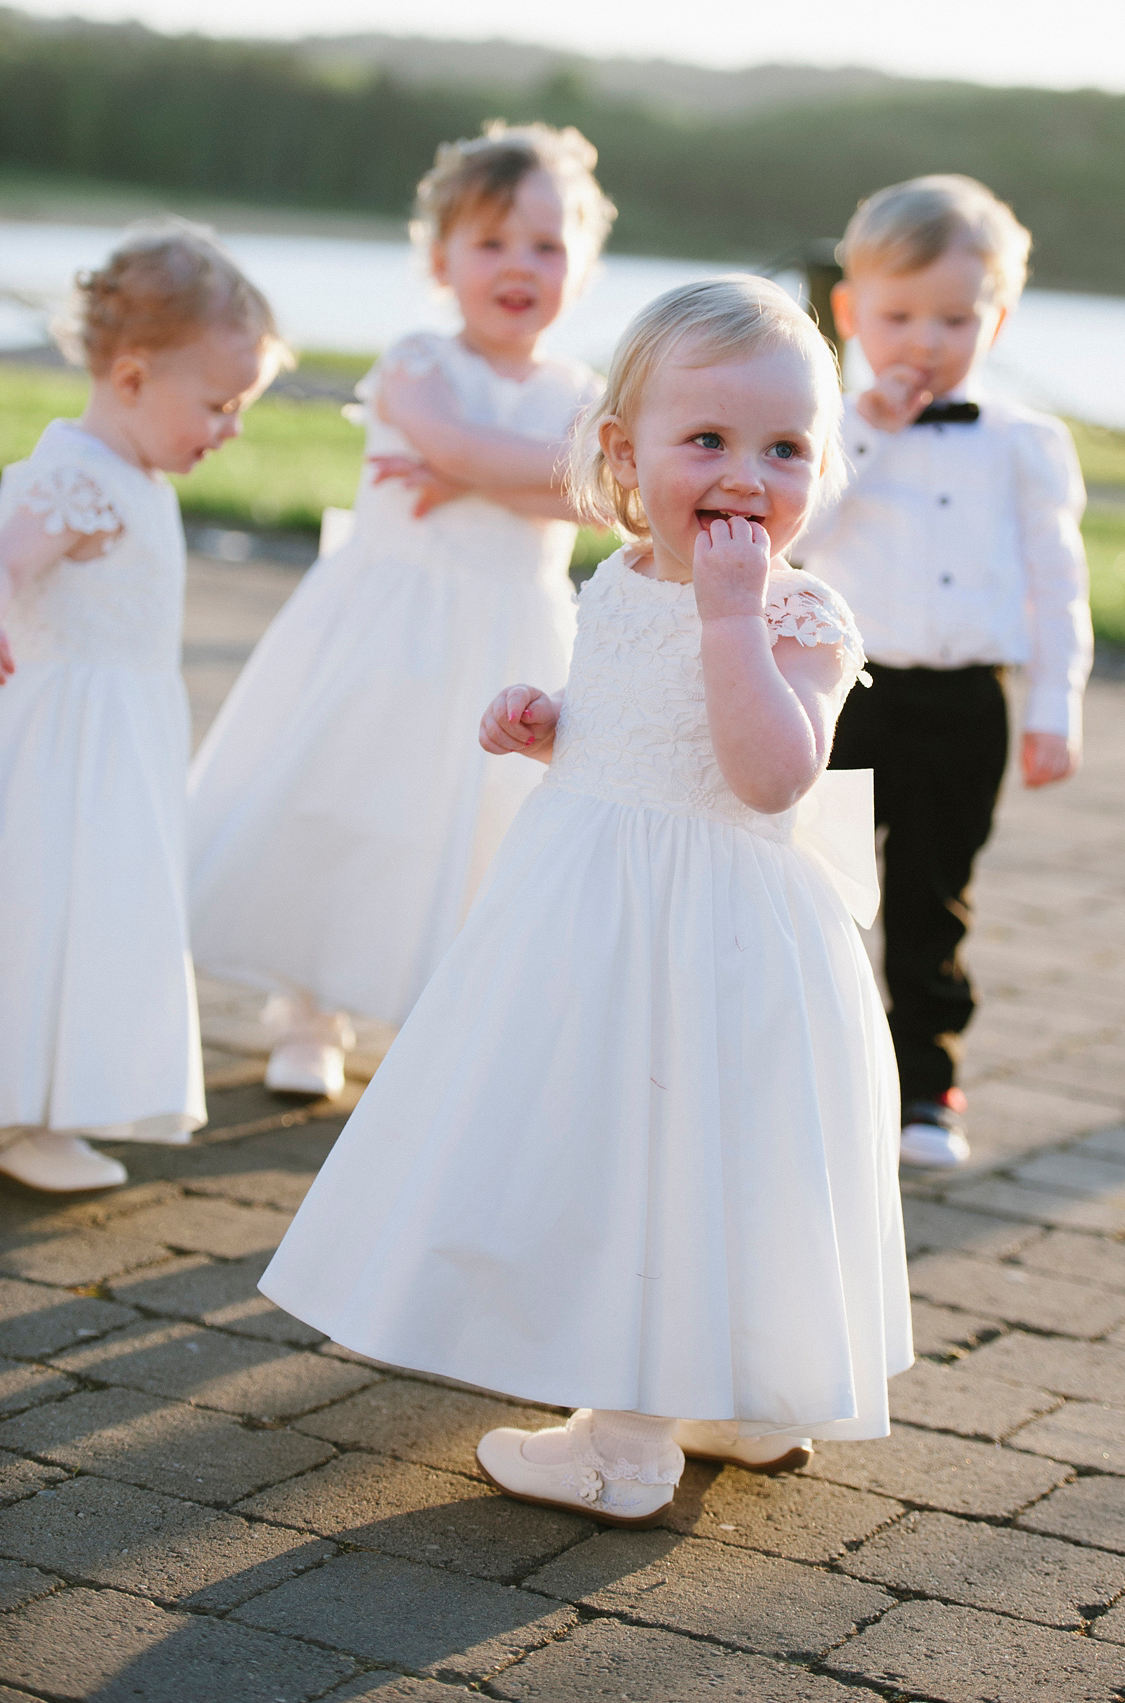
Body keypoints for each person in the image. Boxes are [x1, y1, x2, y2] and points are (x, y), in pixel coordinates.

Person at [260, 276, 911, 1526]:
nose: (744, 475)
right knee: (634, 1151)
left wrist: (733, 620)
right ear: (625, 453)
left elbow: (772, 778)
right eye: (706, 440)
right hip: (601, 918)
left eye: (784, 448)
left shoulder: (796, 613)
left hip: (713, 945)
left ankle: (627, 1442)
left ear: (823, 469)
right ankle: (724, 1392)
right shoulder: (617, 578)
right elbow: (644, 737)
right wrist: (558, 731)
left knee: (681, 1159)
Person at [188, 122, 612, 1098]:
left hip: (514, 627)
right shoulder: (421, 358)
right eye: (492, 243)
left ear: (582, 270)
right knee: (347, 798)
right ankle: (308, 1010)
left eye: (547, 247)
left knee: (479, 822)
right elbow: (458, 440)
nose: (520, 266)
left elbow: (598, 491)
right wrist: (490, 467)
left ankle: (442, 1007)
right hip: (389, 625)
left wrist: (464, 473)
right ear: (441, 259)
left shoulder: (581, 393)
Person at [803, 175, 1093, 1171]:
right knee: (820, 881)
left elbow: (1057, 584)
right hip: (846, 690)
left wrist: (1056, 703)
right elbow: (796, 535)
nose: (924, 341)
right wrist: (868, 431)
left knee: (936, 892)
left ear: (998, 319)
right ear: (850, 313)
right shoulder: (828, 428)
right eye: (899, 316)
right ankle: (811, 1067)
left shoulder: (1026, 444)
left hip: (969, 700)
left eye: (955, 319)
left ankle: (927, 1083)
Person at [0, 223, 281, 1192]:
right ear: (130, 379)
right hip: (63, 752)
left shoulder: (135, 476)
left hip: (118, 744)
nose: (232, 427)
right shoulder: (81, 478)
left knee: (93, 917)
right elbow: (6, 556)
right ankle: (22, 1108)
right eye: (218, 404)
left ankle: (44, 1101)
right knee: (49, 913)